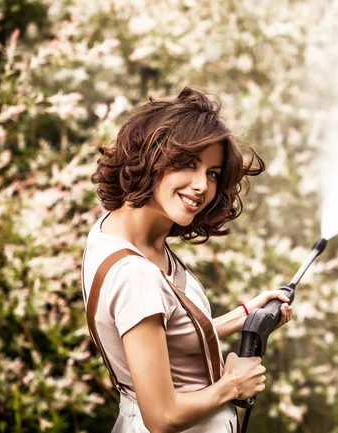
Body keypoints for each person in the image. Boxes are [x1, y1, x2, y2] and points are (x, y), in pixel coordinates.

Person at [80, 87, 292, 433]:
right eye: (188, 164)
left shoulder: (110, 234)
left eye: (211, 172)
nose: (201, 186)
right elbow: (162, 416)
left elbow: (164, 332)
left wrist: (244, 315)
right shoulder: (136, 274)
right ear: (149, 156)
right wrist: (233, 386)